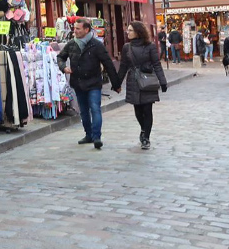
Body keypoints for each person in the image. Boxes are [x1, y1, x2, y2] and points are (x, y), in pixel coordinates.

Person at [57, 18, 122, 150]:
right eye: (74, 28)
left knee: (95, 108)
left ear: (86, 30)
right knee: (84, 111)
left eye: (78, 28)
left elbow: (108, 64)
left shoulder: (96, 45)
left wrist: (116, 84)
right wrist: (63, 67)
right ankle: (89, 135)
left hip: (93, 83)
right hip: (78, 82)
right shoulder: (71, 44)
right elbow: (60, 57)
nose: (75, 31)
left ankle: (97, 137)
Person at [114, 22, 167, 150]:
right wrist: (117, 83)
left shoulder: (150, 46)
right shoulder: (127, 47)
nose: (128, 32)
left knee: (147, 109)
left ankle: (146, 137)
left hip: (147, 80)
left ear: (138, 32)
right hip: (133, 81)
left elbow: (156, 64)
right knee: (138, 110)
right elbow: (123, 67)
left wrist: (163, 81)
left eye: (130, 30)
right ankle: (143, 129)